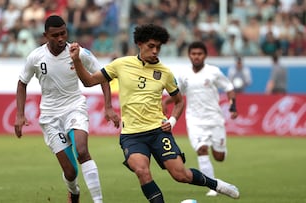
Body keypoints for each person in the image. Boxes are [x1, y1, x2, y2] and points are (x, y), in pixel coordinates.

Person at [69, 24, 240, 202]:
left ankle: (217, 185)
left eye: (158, 47)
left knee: (181, 175)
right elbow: (89, 81)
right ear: (140, 44)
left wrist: (172, 121)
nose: (155, 51)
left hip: (158, 132)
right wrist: (76, 60)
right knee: (142, 171)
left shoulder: (165, 72)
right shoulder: (121, 64)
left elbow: (179, 101)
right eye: (151, 46)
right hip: (132, 135)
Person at [14, 15, 120, 203]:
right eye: (55, 35)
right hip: (50, 116)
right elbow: (22, 83)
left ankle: (98, 201)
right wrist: (20, 115)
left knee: (82, 150)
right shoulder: (36, 57)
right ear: (46, 35)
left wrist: (109, 107)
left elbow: (103, 76)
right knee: (70, 172)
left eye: (63, 33)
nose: (61, 38)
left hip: (74, 107)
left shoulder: (78, 53)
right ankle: (74, 192)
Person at [163, 41, 239, 197]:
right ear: (189, 55)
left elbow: (229, 87)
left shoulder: (214, 72)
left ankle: (218, 148)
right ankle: (213, 187)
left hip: (214, 119)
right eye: (193, 54)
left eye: (199, 54)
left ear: (205, 55)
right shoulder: (184, 75)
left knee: (219, 157)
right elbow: (178, 93)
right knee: (201, 149)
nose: (196, 57)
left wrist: (233, 106)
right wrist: (165, 101)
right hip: (195, 120)